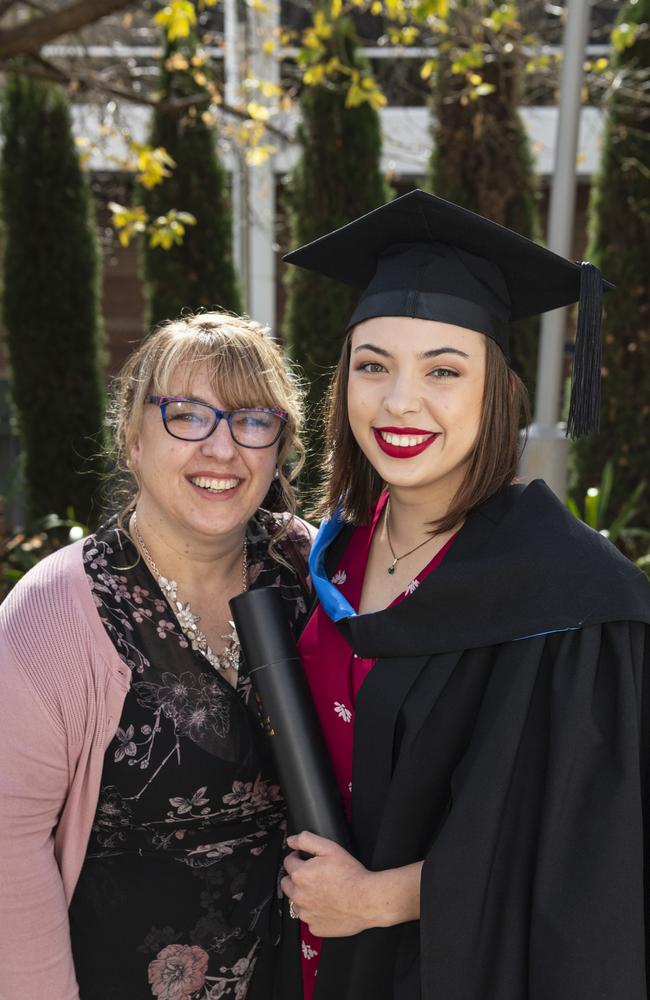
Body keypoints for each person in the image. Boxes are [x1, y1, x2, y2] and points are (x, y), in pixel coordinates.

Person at [279, 190, 650, 1000]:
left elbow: (586, 849)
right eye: (373, 365)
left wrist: (374, 900)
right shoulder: (330, 553)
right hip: (305, 959)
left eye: (444, 370)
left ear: (498, 391)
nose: (401, 402)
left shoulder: (570, 596)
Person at [0, 312, 314, 1000]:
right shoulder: (56, 613)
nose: (222, 449)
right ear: (133, 439)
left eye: (251, 420)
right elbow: (8, 851)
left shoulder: (306, 571)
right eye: (186, 415)